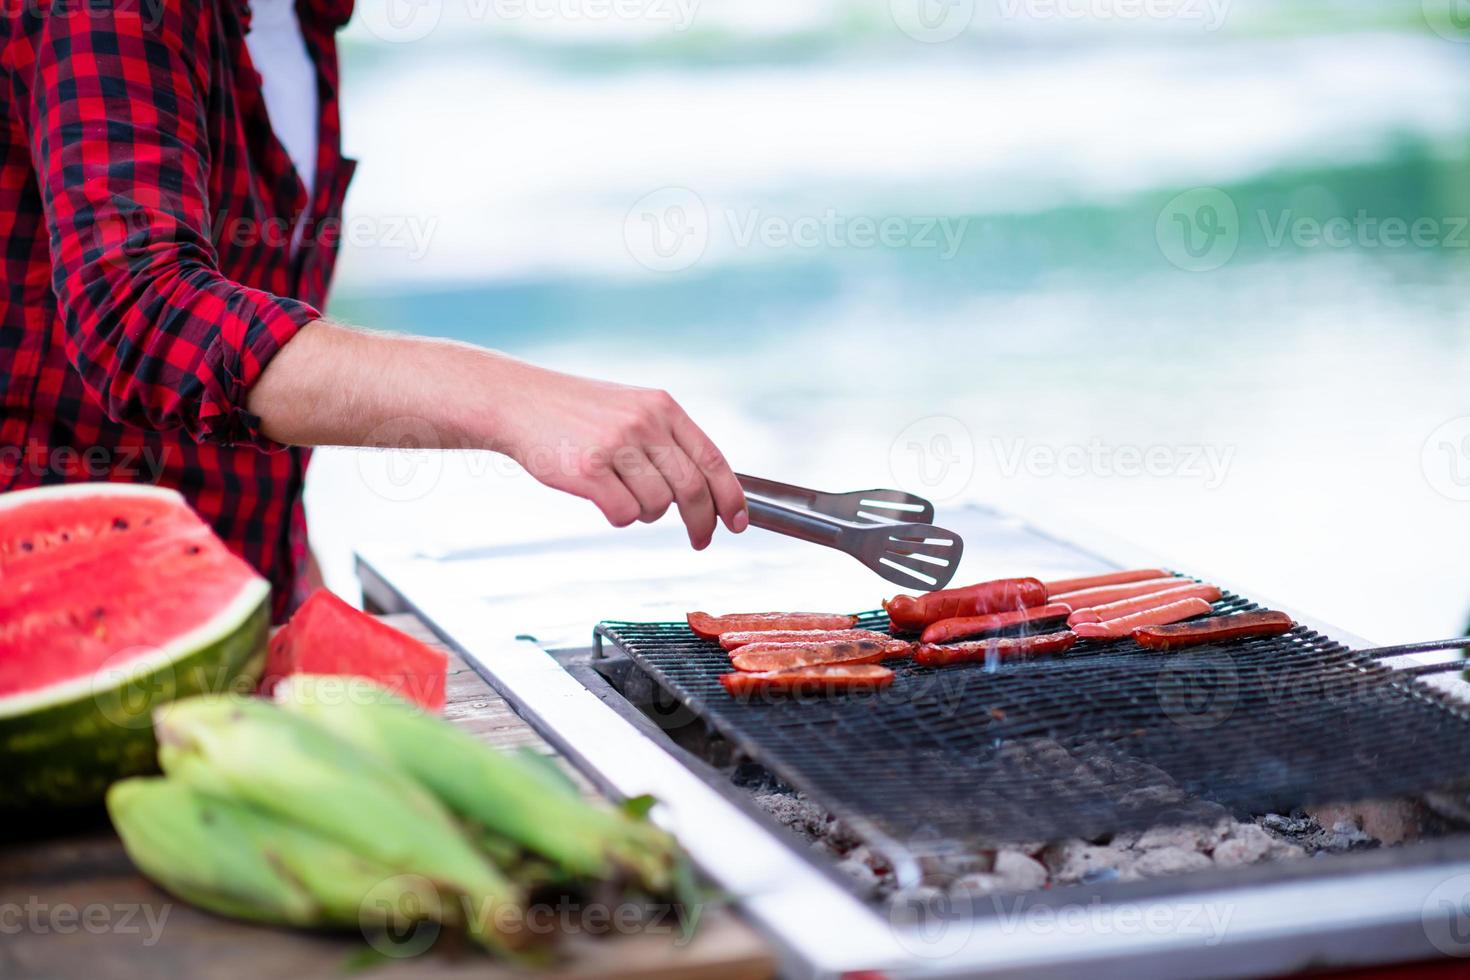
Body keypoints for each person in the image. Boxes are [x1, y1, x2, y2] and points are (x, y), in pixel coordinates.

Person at [0, 0, 747, 622]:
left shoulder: (302, 19)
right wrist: (516, 403)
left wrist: (297, 585)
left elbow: (243, 392)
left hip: (220, 613)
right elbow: (142, 313)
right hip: (50, 633)